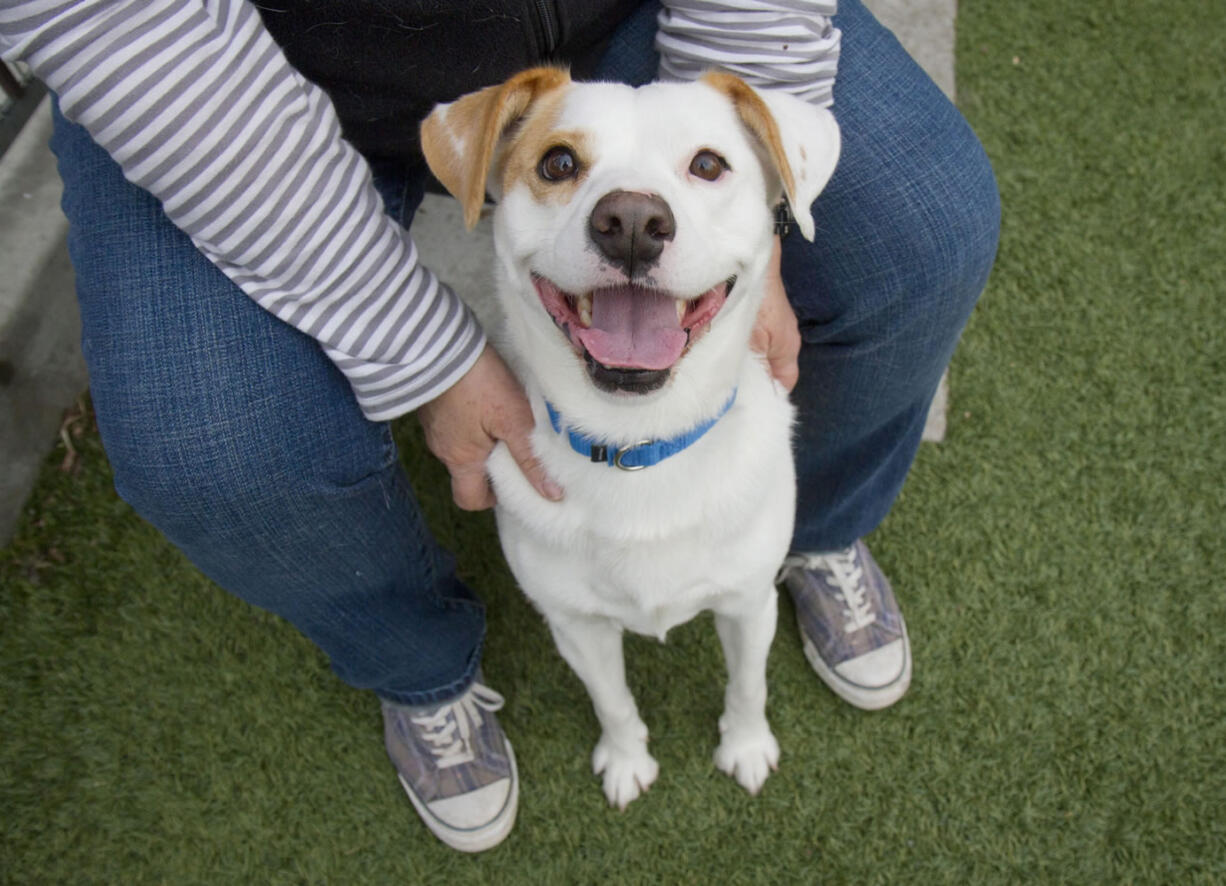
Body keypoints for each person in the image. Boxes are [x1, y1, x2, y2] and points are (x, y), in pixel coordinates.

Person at [0, 0, 999, 852]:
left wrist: (752, 223)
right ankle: (419, 667)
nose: (633, 220)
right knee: (212, 453)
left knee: (928, 233)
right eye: (568, 170)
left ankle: (805, 533)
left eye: (702, 171)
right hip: (208, 74)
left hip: (612, 15)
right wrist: (420, 352)